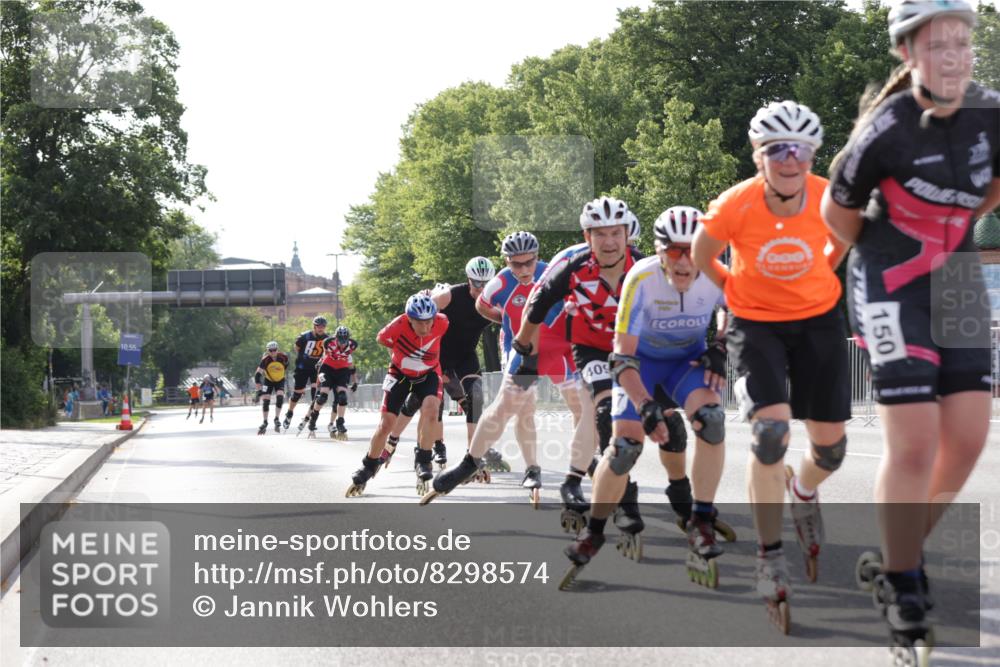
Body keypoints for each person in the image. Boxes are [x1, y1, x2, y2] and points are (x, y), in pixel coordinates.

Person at [822, 0, 1000, 658]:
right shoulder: (886, 128)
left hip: (952, 276)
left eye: (962, 42)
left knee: (969, 436)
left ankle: (900, 551)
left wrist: (946, 234)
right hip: (890, 277)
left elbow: (991, 188)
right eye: (936, 45)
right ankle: (904, 583)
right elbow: (834, 212)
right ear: (908, 54)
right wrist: (884, 245)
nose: (953, 55)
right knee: (918, 438)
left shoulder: (991, 110)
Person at [691, 99, 851, 633]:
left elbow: (844, 237)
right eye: (778, 149)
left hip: (819, 319)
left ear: (812, 154)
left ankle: (803, 490)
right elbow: (700, 254)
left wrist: (819, 276)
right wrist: (735, 291)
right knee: (771, 433)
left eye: (801, 149)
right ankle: (768, 553)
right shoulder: (734, 205)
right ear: (758, 155)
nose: (790, 159)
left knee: (830, 448)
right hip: (755, 324)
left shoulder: (829, 197)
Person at [558, 206, 733, 588]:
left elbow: (731, 311)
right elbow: (621, 357)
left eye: (697, 252)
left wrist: (719, 344)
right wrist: (645, 406)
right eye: (675, 253)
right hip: (641, 365)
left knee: (713, 421)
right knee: (624, 448)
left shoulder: (718, 274)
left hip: (685, 364)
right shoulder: (641, 278)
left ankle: (700, 519)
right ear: (658, 251)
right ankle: (596, 530)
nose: (687, 263)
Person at [419, 232, 548, 506]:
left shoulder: (548, 273)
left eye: (530, 263)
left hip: (477, 355)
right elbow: (428, 317)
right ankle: (446, 457)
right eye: (516, 264)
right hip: (461, 353)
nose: (524, 270)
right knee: (508, 407)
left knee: (478, 398)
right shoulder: (479, 288)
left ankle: (476, 454)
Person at [385, 256, 496, 467]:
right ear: (468, 279)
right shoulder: (450, 296)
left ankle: (473, 457)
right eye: (476, 283)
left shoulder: (495, 298)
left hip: (465, 355)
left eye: (486, 284)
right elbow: (417, 316)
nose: (481, 289)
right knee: (420, 402)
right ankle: (392, 440)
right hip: (439, 355)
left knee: (476, 395)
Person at [346, 293, 448, 498]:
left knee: (431, 411)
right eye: (420, 323)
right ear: (409, 318)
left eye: (429, 322)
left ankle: (423, 460)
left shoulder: (442, 322)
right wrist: (401, 356)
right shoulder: (396, 326)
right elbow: (382, 339)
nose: (426, 327)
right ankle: (368, 466)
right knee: (386, 424)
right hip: (399, 374)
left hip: (428, 374)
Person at [306, 326, 357, 439]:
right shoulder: (328, 342)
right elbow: (324, 355)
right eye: (340, 340)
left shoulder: (353, 345)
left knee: (342, 398)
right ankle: (313, 418)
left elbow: (351, 365)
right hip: (327, 368)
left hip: (342, 370)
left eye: (345, 341)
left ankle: (340, 422)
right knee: (323, 396)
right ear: (335, 338)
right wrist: (319, 369)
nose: (342, 344)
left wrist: (355, 382)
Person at [283, 316, 330, 431]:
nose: (320, 329)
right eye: (318, 326)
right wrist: (305, 358)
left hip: (316, 369)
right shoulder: (304, 337)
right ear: (314, 327)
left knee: (316, 394)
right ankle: (289, 413)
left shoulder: (327, 339)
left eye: (323, 327)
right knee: (297, 394)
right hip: (302, 368)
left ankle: (309, 418)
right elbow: (297, 348)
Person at [255, 341, 289, 434]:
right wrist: (258, 389)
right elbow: (257, 375)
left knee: (280, 398)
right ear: (268, 351)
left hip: (280, 380)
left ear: (277, 349)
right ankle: (265, 421)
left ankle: (276, 418)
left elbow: (285, 366)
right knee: (266, 401)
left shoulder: (283, 357)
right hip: (268, 381)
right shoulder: (265, 360)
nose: (273, 352)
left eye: (275, 350)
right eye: (271, 350)